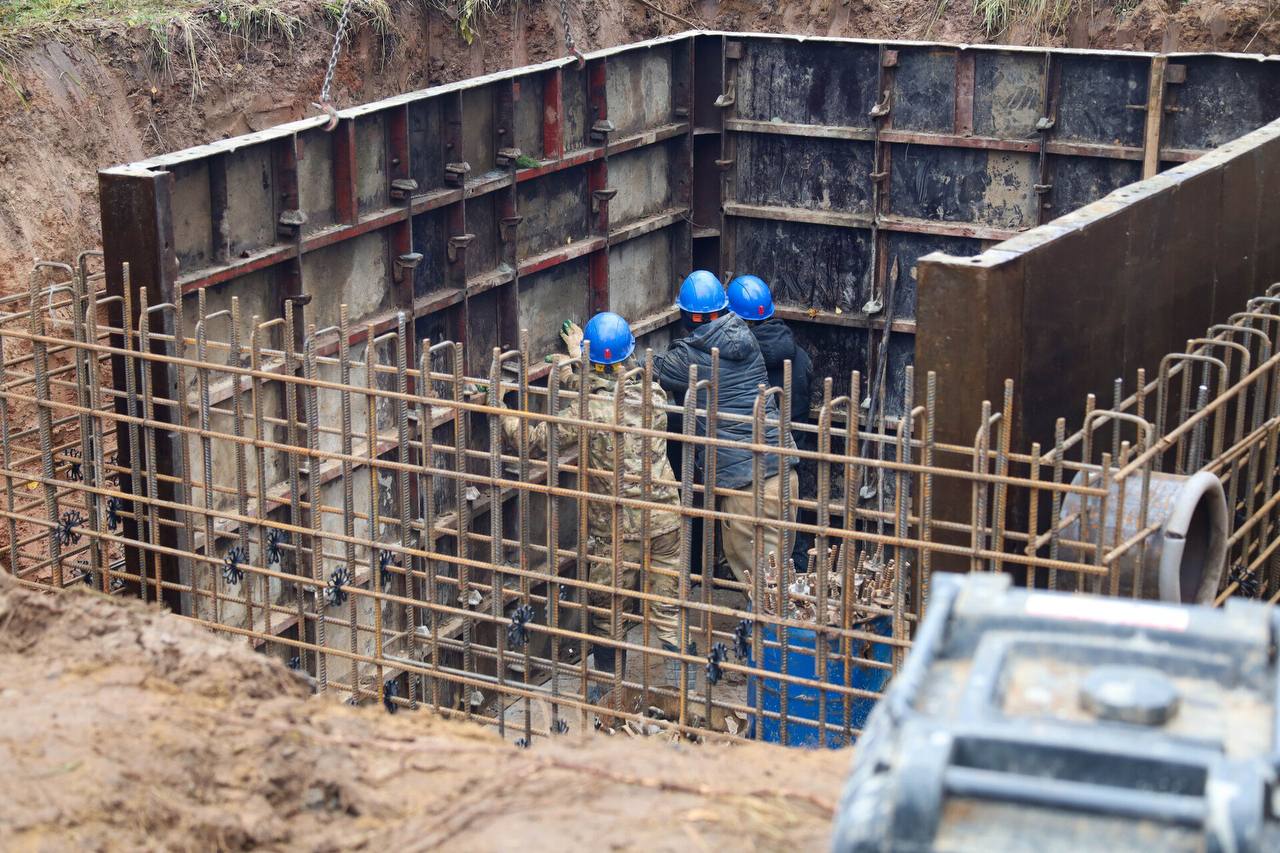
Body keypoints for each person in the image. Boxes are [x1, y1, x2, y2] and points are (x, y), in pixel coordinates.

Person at [500, 312, 684, 701]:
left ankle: (608, 697)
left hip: (617, 531)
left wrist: (501, 408)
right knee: (668, 612)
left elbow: (535, 441)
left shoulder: (588, 412)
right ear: (629, 354)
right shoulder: (653, 394)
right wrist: (577, 364)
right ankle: (685, 692)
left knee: (608, 616)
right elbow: (608, 388)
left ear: (594, 362)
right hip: (666, 519)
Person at [655, 270, 798, 594]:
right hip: (783, 474)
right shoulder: (748, 339)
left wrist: (585, 355)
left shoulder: (688, 358)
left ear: (687, 316)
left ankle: (766, 628)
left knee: (765, 592)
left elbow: (643, 370)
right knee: (776, 583)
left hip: (747, 490)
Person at [728, 274, 814, 572]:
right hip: (790, 465)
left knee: (757, 560)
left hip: (751, 469)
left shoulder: (739, 362)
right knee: (788, 545)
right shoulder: (800, 357)